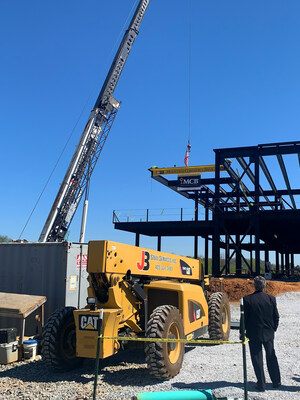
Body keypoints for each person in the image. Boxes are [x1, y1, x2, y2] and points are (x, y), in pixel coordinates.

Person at [242, 276, 281, 392]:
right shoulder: (271, 299)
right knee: (271, 356)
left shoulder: (247, 299)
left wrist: (241, 331)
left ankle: (261, 384)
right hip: (268, 333)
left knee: (257, 358)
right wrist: (273, 329)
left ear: (254, 285)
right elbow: (276, 317)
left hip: (253, 333)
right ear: (264, 286)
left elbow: (244, 317)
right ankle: (276, 381)